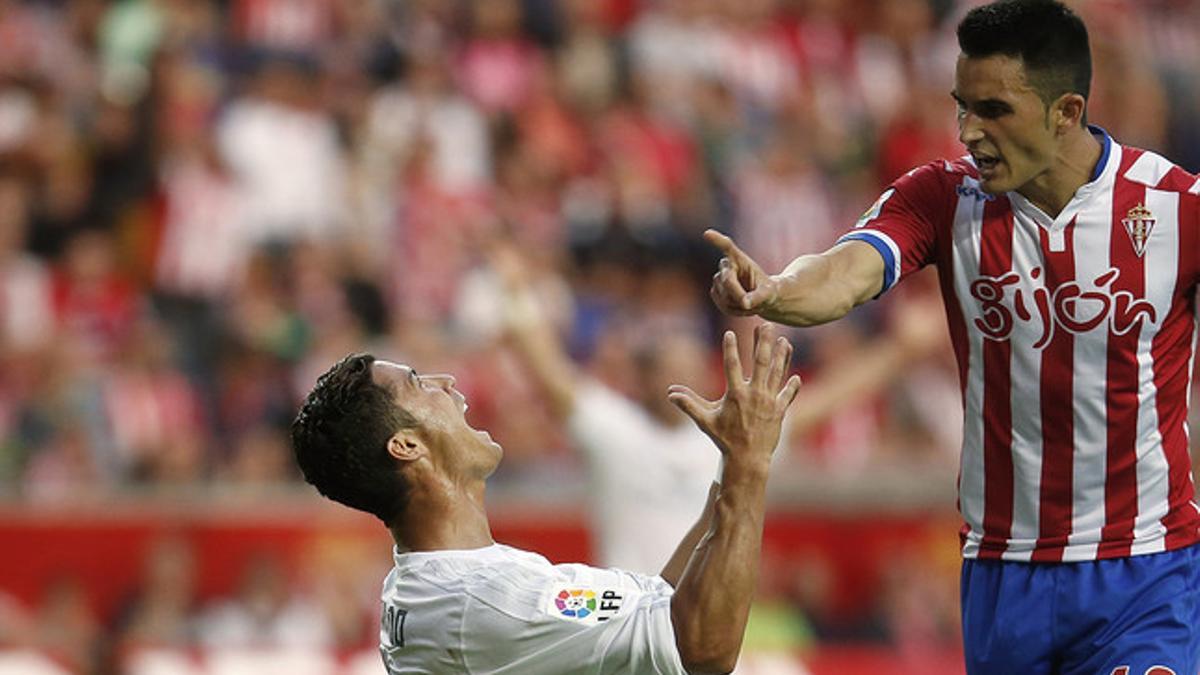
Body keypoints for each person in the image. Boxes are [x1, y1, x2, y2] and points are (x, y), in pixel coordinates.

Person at [705, 1, 1200, 673]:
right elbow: (847, 269)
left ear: (1066, 111)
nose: (968, 130)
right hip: (1004, 575)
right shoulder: (943, 198)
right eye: (962, 106)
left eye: (994, 110)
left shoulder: (1176, 208)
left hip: (1145, 569)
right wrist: (777, 289)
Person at [291, 324, 801, 674]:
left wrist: (734, 461)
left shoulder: (444, 584)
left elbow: (664, 602)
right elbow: (704, 650)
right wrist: (749, 466)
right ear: (405, 445)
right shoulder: (487, 599)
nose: (446, 382)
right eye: (419, 384)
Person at [494, 243, 722, 575]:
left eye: (690, 370)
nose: (682, 384)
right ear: (644, 378)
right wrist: (516, 292)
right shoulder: (617, 430)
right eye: (671, 372)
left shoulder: (725, 442)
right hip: (630, 614)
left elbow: (804, 412)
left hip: (705, 617)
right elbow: (549, 372)